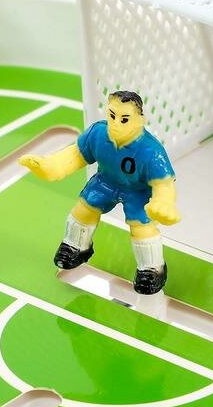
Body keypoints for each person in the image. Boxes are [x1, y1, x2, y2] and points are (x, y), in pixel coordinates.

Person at [19, 90, 180, 294]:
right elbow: (75, 155)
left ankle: (152, 269)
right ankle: (76, 247)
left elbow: (164, 184)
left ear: (140, 119)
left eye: (124, 119)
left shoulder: (151, 151)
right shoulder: (97, 134)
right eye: (112, 116)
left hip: (138, 192)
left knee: (142, 228)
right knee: (84, 209)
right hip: (106, 182)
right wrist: (51, 166)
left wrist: (163, 203)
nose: (116, 123)